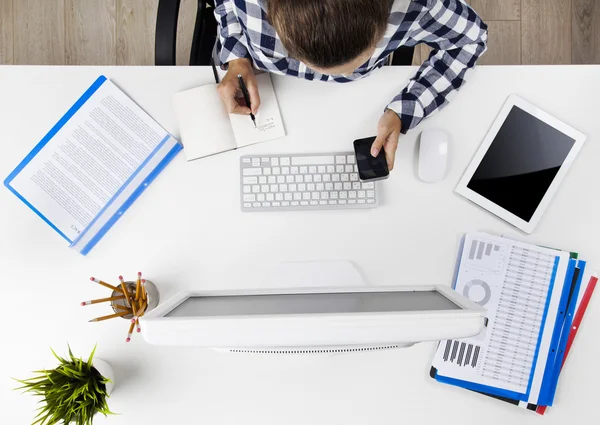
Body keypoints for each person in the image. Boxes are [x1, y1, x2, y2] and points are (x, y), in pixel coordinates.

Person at [214, 0, 487, 170]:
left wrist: (405, 111)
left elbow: (470, 40)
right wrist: (237, 59)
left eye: (355, 65)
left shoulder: (420, 5)